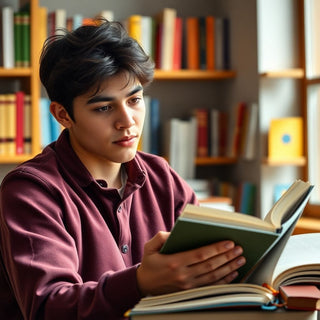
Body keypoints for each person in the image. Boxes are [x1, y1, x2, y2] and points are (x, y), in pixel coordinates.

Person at [0, 20, 246, 320]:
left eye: (134, 100)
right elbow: (49, 308)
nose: (127, 121)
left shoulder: (162, 177)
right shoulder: (30, 192)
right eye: (104, 108)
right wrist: (140, 282)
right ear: (63, 114)